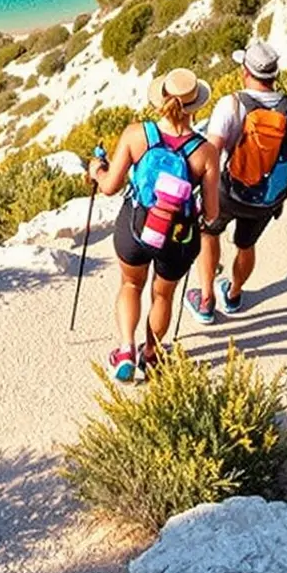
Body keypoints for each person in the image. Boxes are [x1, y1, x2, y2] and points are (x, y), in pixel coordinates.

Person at [87, 67, 220, 382]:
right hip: (178, 235)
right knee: (163, 296)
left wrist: (96, 170)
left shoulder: (137, 134)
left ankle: (125, 351)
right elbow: (212, 214)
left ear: (161, 100)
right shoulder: (206, 151)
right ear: (194, 106)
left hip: (135, 227)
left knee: (131, 284)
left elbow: (109, 186)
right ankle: (152, 355)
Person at [187, 39, 287, 325]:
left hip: (228, 191)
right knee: (246, 245)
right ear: (274, 75)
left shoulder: (231, 104)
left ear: (245, 73)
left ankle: (207, 299)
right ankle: (234, 294)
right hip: (266, 199)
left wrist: (198, 185)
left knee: (208, 233)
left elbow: (212, 152)